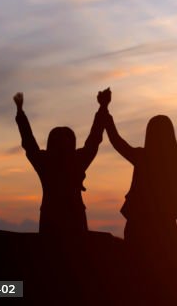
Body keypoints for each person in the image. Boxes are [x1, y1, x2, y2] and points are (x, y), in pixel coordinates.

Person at [101, 84, 177, 243]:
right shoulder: (176, 158)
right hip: (163, 227)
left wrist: (104, 109)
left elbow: (116, 140)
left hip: (137, 226)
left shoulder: (141, 157)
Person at [13, 89, 109, 236]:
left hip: (60, 218)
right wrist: (103, 107)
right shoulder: (72, 161)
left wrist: (20, 112)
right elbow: (94, 140)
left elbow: (29, 143)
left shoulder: (48, 162)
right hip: (62, 218)